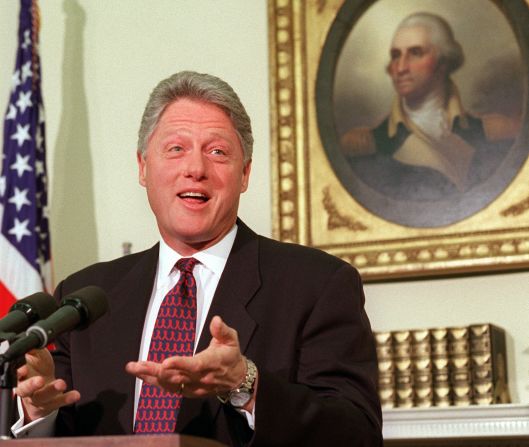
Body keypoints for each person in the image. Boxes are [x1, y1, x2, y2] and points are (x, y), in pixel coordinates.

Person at [13, 71, 382, 446]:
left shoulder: (317, 285)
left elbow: (357, 434)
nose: (196, 169)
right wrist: (40, 412)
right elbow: (62, 431)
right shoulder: (84, 298)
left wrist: (245, 384)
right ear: (143, 167)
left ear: (245, 173)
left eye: (217, 151)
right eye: (176, 149)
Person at [341, 12, 518, 202]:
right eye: (395, 55)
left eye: (415, 53)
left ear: (443, 62)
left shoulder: (495, 134)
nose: (400, 68)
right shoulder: (366, 148)